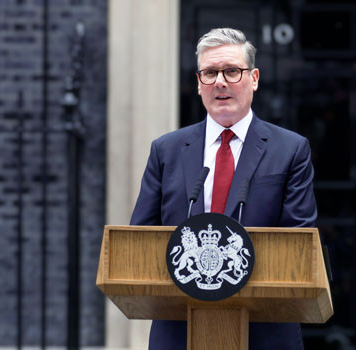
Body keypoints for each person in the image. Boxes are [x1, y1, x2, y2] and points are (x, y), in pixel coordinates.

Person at [130, 27, 317, 350]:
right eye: (210, 73)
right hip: (180, 331)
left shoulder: (290, 149)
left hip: (265, 333)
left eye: (232, 71)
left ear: (254, 78)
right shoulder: (167, 150)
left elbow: (297, 244)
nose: (220, 82)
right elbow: (141, 239)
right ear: (198, 83)